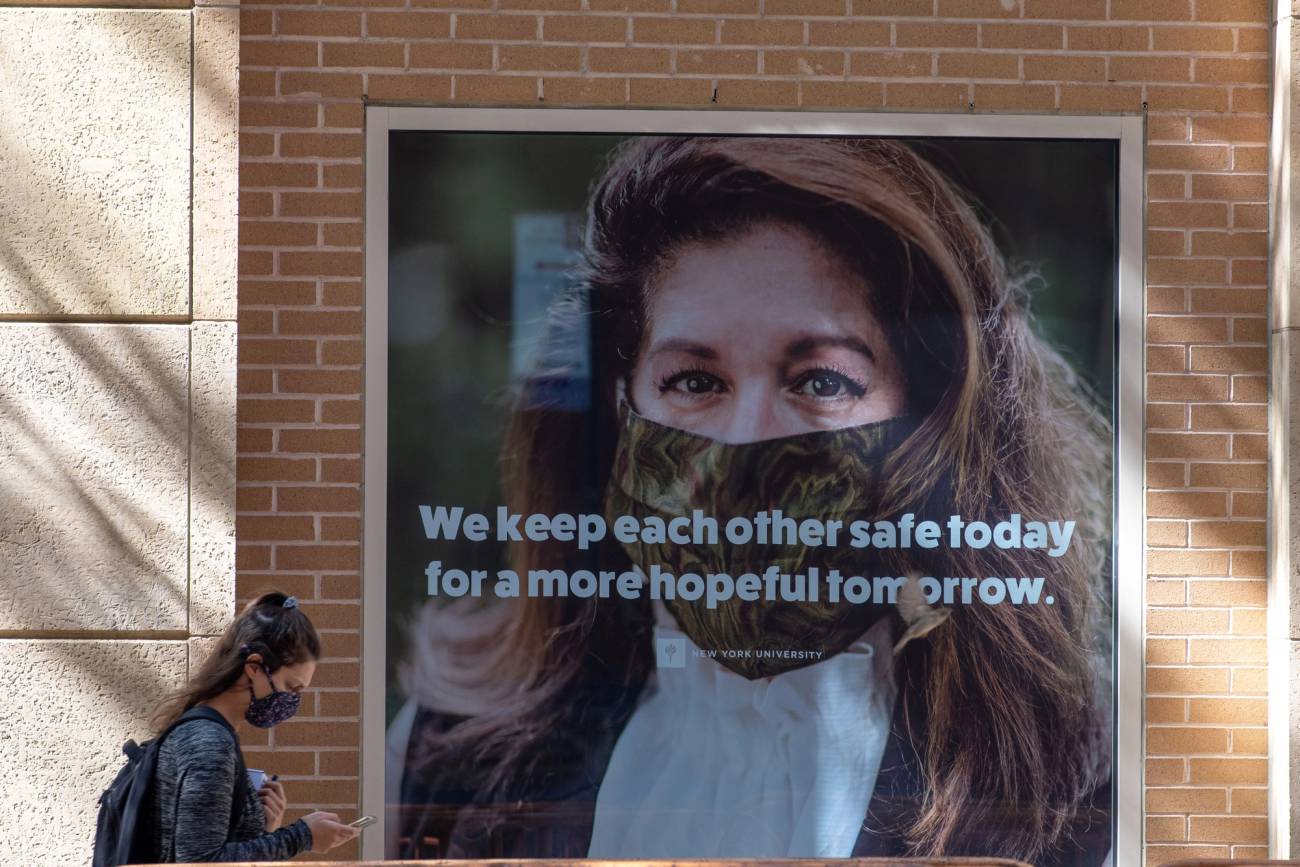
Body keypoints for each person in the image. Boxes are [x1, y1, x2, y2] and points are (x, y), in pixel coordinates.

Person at [390, 136, 1113, 866]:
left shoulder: (1074, 795)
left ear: (928, 425)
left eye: (822, 382)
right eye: (695, 382)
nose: (744, 442)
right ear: (620, 410)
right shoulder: (448, 751)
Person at [143, 591, 360, 862]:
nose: (291, 701)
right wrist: (302, 836)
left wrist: (263, 827)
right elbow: (200, 860)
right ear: (255, 667)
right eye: (291, 687)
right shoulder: (209, 743)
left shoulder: (206, 732)